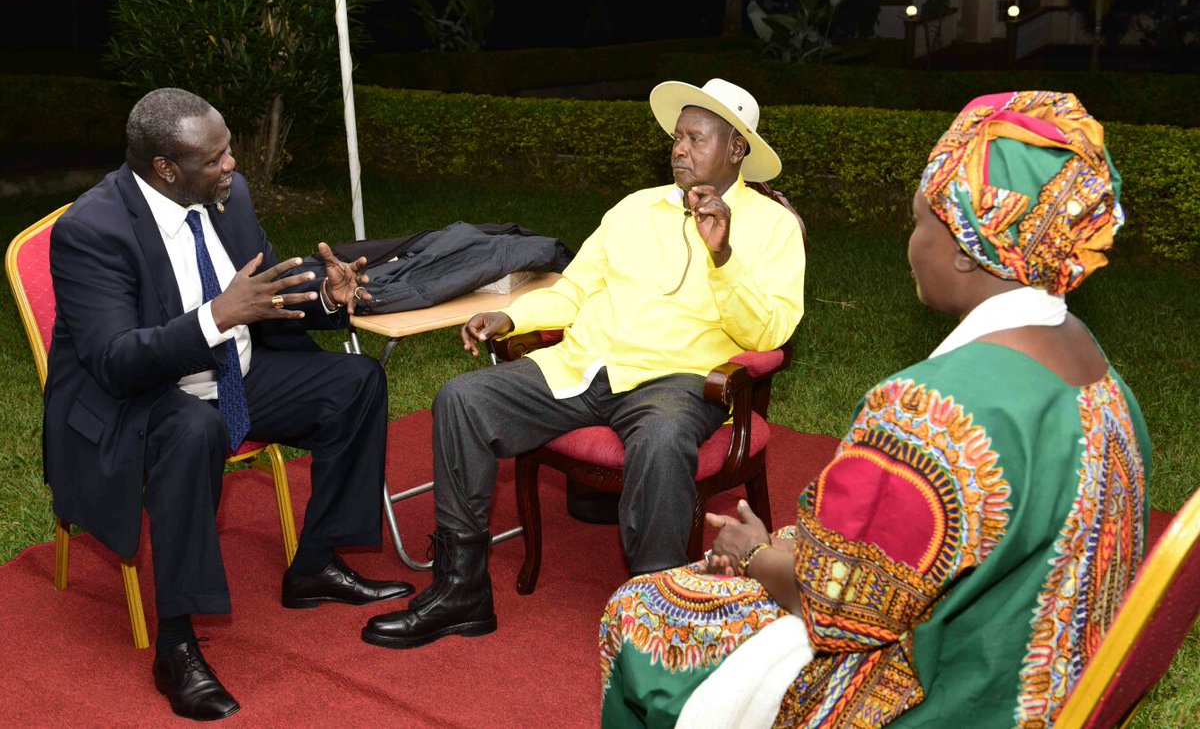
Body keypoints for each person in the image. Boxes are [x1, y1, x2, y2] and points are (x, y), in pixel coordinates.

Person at [598, 91, 1150, 728]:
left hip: (935, 699)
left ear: (968, 250)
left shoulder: (927, 413)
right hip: (1035, 684)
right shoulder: (1104, 381)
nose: (910, 243)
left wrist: (754, 554)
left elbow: (837, 608)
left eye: (919, 222)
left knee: (639, 609)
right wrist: (795, 543)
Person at [361, 78, 807, 650]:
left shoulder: (772, 228)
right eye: (677, 138)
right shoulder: (633, 209)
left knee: (665, 439)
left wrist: (722, 257)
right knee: (463, 400)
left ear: (736, 149)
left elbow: (769, 333)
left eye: (695, 138)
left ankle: (659, 617)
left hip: (676, 383)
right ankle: (460, 591)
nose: (678, 149)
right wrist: (513, 319)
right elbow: (573, 291)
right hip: (584, 366)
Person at [44, 87, 413, 721]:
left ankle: (317, 563)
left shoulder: (225, 199)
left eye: (230, 150)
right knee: (193, 432)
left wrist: (325, 297)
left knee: (355, 385)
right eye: (215, 158)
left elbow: (262, 293)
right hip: (141, 398)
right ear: (166, 168)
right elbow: (115, 362)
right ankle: (177, 643)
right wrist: (218, 315)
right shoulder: (92, 229)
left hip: (234, 373)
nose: (231, 166)